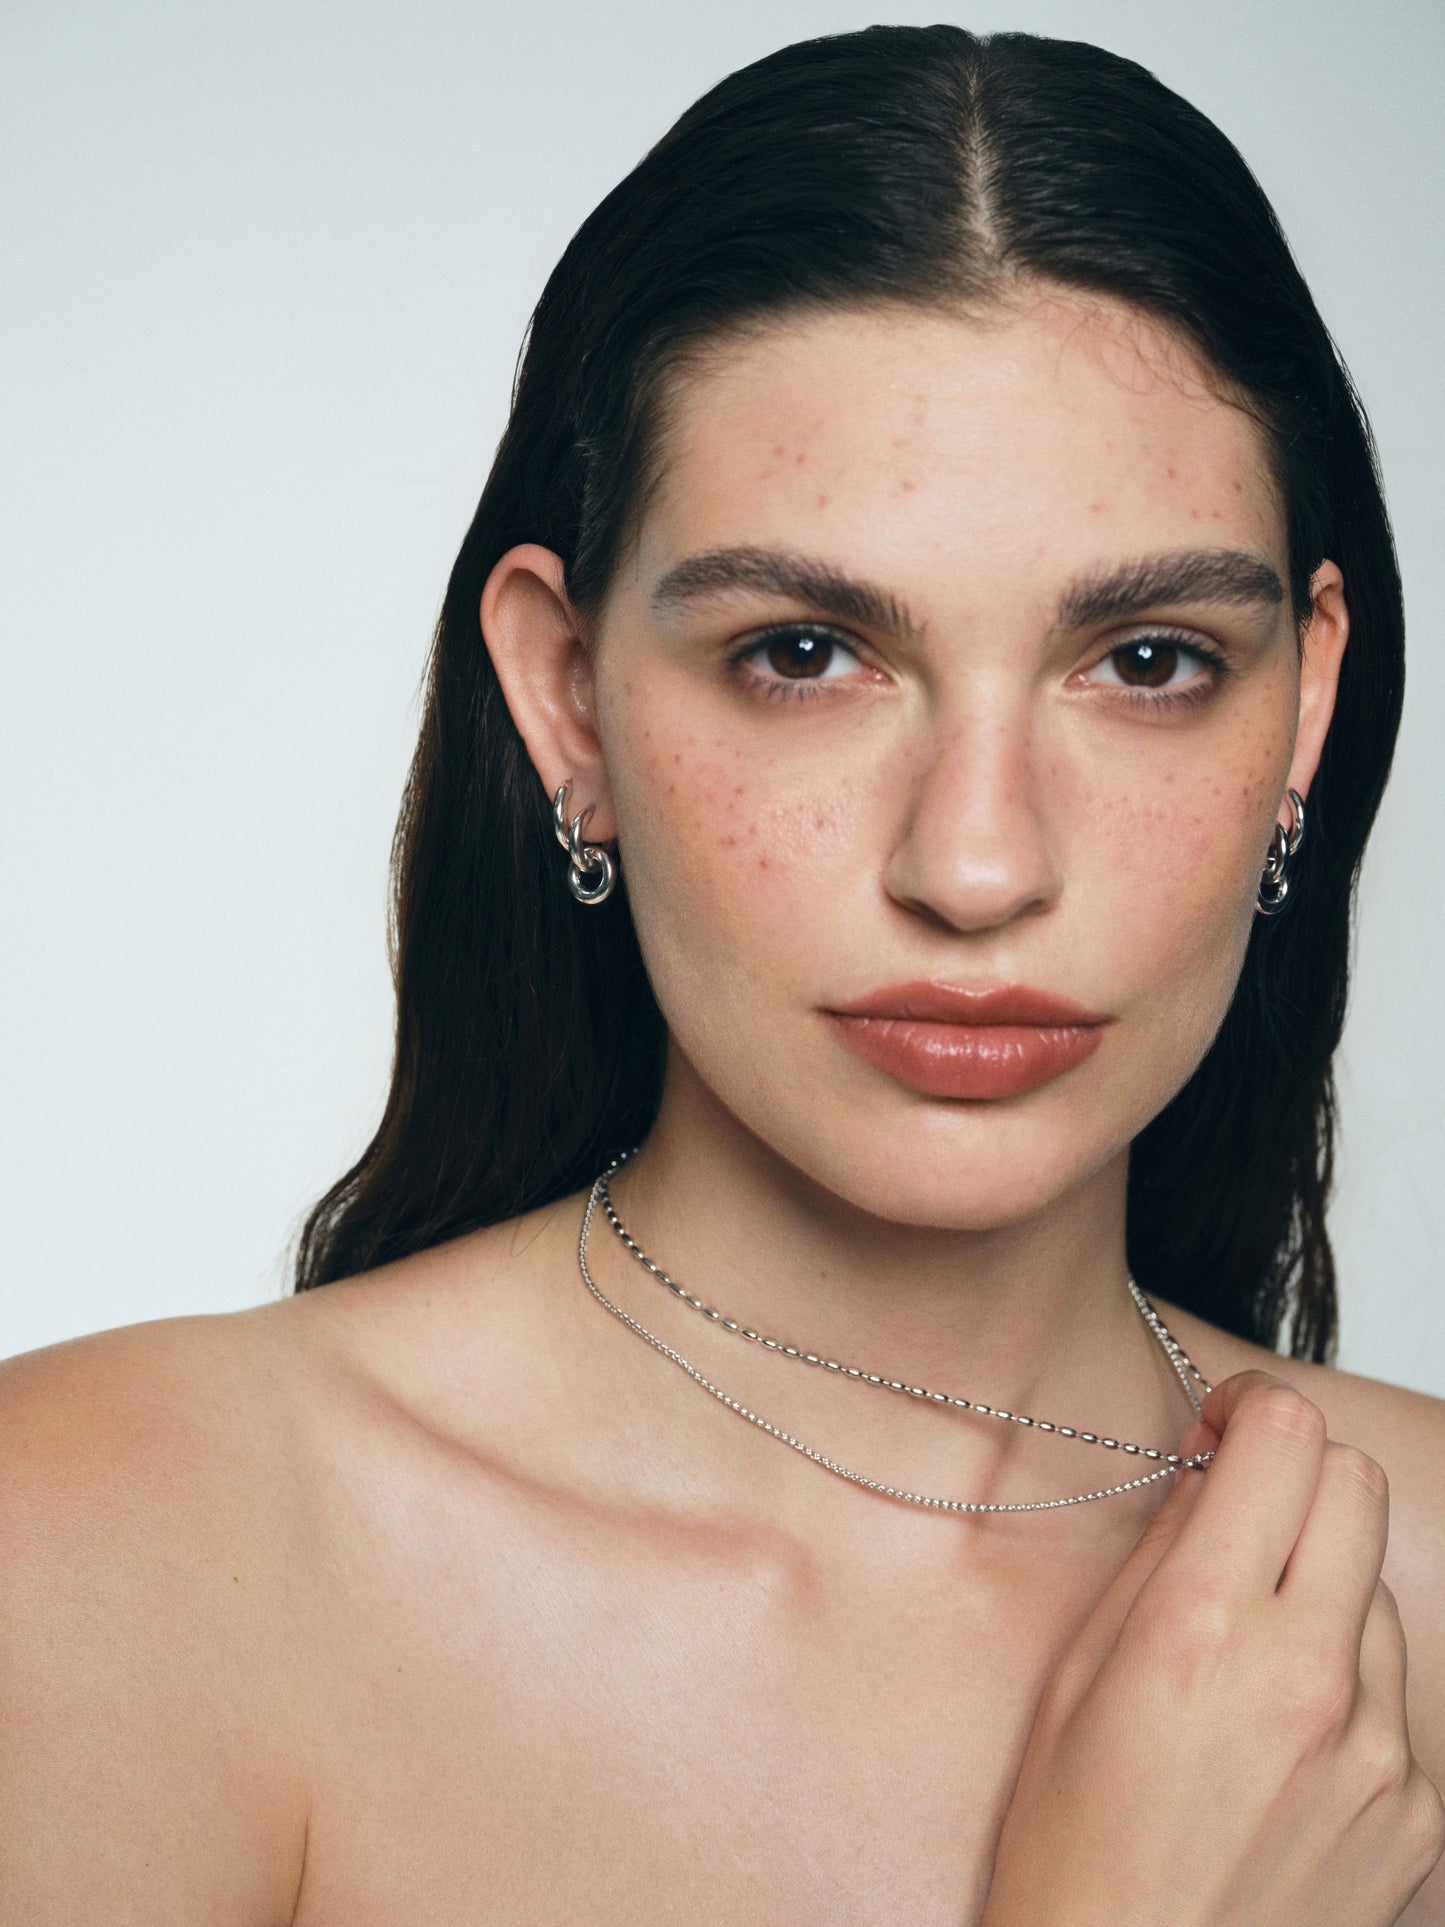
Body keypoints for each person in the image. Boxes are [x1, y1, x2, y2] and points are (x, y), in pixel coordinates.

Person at [2, 21, 1443, 1923]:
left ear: (1305, 707)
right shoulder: (106, 1568)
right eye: (804, 653)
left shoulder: (1416, 1588)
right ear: (566, 696)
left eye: (1150, 660)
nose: (978, 863)